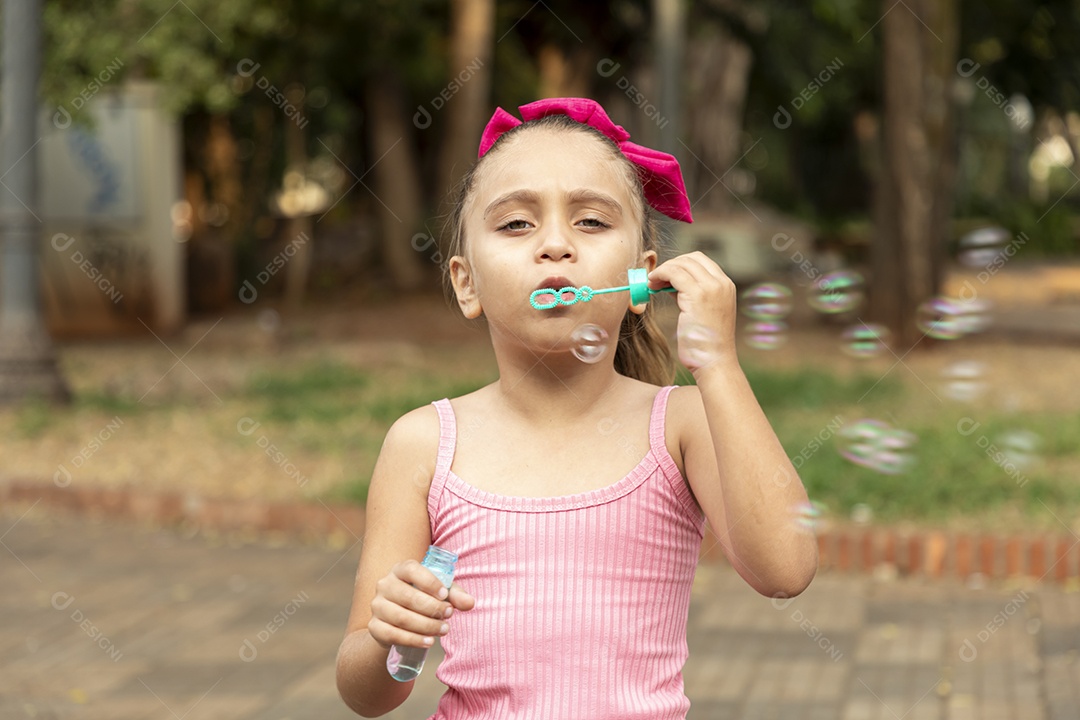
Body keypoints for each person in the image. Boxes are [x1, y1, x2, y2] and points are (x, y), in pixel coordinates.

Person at [336, 98, 817, 719]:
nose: (556, 245)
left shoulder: (679, 425)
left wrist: (718, 363)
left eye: (591, 221)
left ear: (643, 279)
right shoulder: (423, 443)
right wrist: (387, 637)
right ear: (467, 283)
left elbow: (786, 567)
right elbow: (364, 693)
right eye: (515, 225)